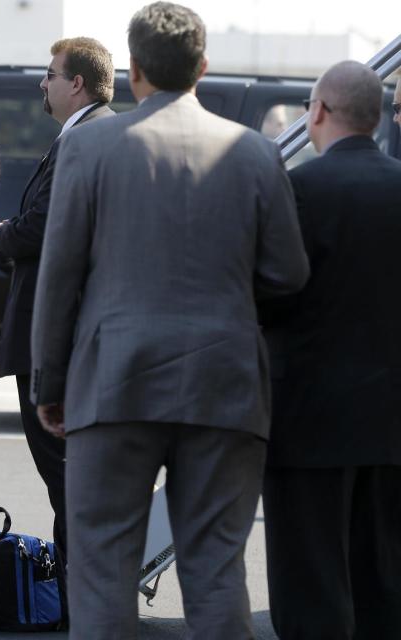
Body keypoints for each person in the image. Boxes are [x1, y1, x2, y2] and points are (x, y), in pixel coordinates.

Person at [30, 3, 309, 638]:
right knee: (216, 570)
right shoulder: (255, 153)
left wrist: (50, 385)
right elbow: (288, 274)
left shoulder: (92, 146)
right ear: (202, 68)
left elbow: (60, 273)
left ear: (134, 71)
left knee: (102, 566)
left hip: (114, 381)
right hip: (226, 383)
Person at [260, 60, 401, 639]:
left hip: (307, 419)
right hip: (393, 424)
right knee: (386, 584)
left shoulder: (298, 189)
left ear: (316, 112)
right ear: (381, 117)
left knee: (310, 585)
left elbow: (269, 294)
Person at [0, 36, 115, 607]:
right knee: (74, 475)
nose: (43, 84)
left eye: (50, 74)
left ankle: (80, 595)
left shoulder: (86, 138)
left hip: (56, 339)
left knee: (66, 474)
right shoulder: (95, 132)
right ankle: (86, 590)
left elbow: (42, 225)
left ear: (77, 84)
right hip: (78, 335)